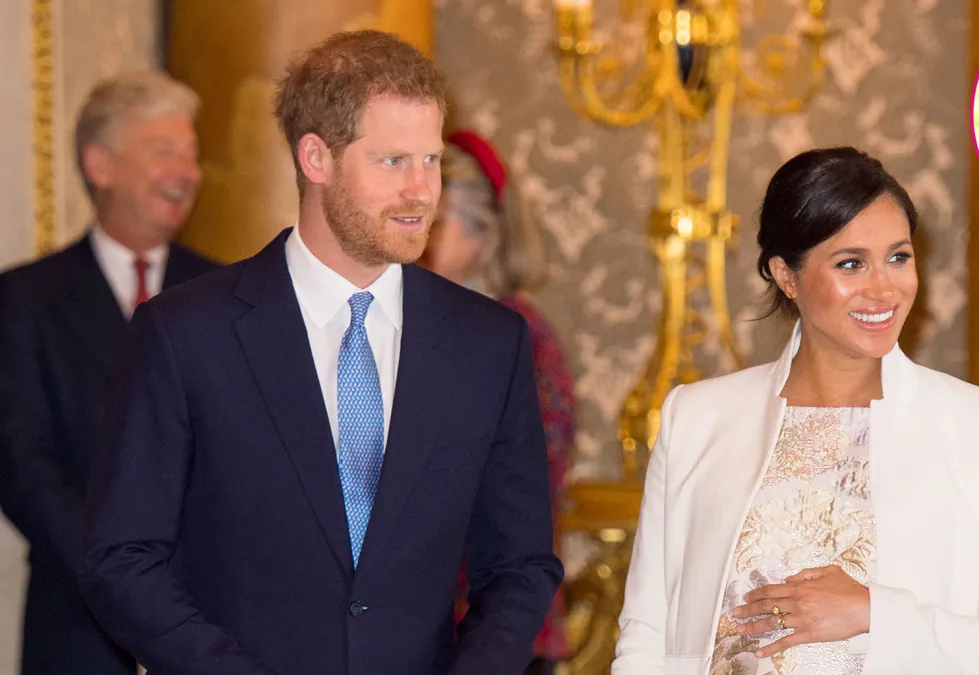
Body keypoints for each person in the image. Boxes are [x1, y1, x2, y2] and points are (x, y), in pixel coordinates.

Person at [78, 31, 562, 675]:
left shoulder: (489, 343)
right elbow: (122, 558)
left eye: (431, 160)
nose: (422, 191)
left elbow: (520, 565)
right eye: (393, 162)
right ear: (316, 157)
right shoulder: (185, 332)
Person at [611, 147, 979, 674]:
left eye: (899, 256)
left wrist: (873, 612)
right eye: (851, 263)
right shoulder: (697, 417)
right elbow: (647, 633)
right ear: (786, 276)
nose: (884, 288)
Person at [0, 71, 217, 675]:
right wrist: (126, 583)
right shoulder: (26, 300)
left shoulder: (228, 293)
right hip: (76, 628)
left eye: (193, 155)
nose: (187, 172)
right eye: (165, 152)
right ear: (100, 165)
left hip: (209, 629)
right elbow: (23, 465)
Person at [420, 129, 575, 675]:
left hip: (502, 630)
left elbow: (534, 478)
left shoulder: (518, 333)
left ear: (482, 237)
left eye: (436, 224)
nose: (419, 240)